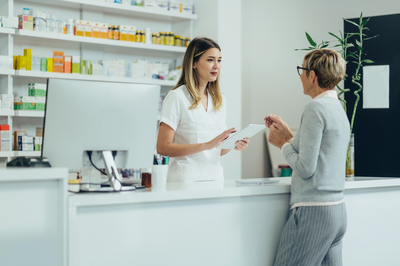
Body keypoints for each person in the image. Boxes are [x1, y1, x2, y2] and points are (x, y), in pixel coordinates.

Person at [265, 48, 350, 266]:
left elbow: (305, 167)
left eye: (301, 71)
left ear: (312, 76)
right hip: (337, 212)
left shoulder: (315, 108)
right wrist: (288, 133)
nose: (300, 76)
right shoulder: (337, 108)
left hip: (314, 212)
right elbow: (318, 152)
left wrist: (282, 144)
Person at [157, 37, 249, 182]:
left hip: (214, 178)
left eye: (219, 60)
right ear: (194, 63)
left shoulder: (219, 100)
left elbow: (216, 150)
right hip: (184, 181)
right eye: (210, 60)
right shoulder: (176, 97)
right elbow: (163, 147)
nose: (216, 66)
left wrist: (233, 144)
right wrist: (206, 145)